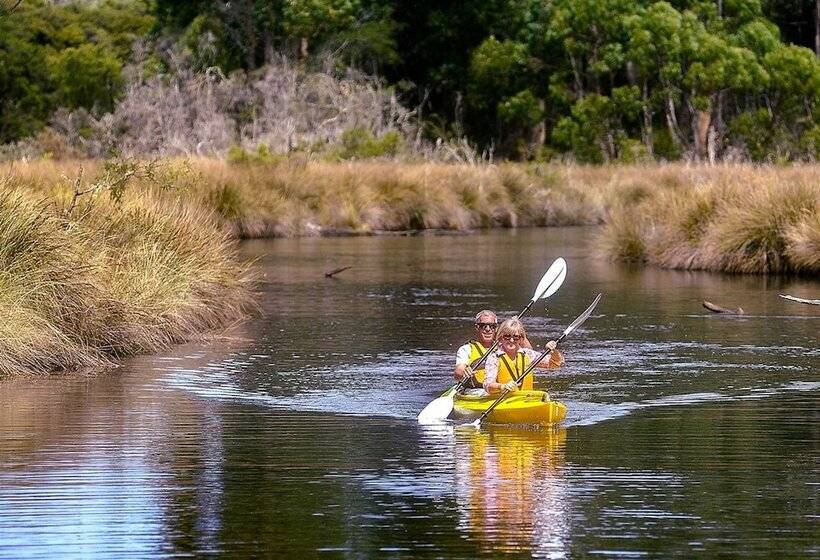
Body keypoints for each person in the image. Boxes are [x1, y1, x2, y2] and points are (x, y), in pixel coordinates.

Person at [483, 318, 563, 394]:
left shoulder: (528, 354)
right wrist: (502, 386)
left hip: (525, 399)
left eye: (516, 337)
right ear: (500, 338)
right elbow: (487, 385)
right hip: (502, 399)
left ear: (521, 339)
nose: (511, 340)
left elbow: (554, 364)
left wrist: (553, 351)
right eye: (507, 336)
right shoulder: (494, 357)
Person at [454, 310, 532, 389]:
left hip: (503, 390)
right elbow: (458, 372)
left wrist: (518, 329)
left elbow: (528, 356)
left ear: (496, 328)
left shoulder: (506, 346)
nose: (488, 329)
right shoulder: (466, 349)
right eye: (483, 326)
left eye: (492, 326)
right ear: (477, 327)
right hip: (476, 392)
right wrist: (465, 371)